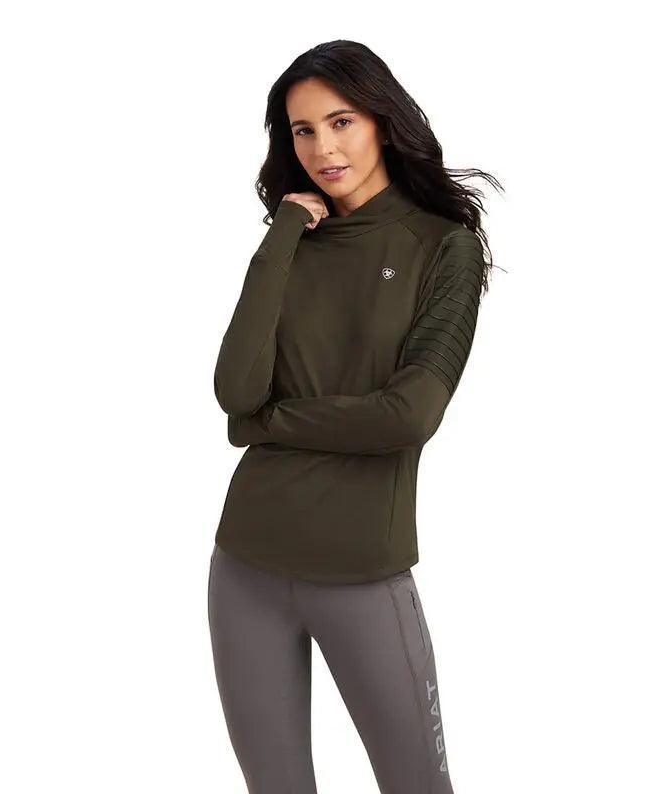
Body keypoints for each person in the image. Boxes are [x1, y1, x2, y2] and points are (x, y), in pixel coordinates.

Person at [207, 39, 502, 794]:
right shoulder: (292, 242)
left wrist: (269, 426)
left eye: (341, 122)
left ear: (382, 120)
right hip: (245, 566)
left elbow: (408, 415)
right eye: (303, 131)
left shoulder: (443, 247)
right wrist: (280, 235)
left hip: (363, 571)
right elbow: (237, 393)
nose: (323, 149)